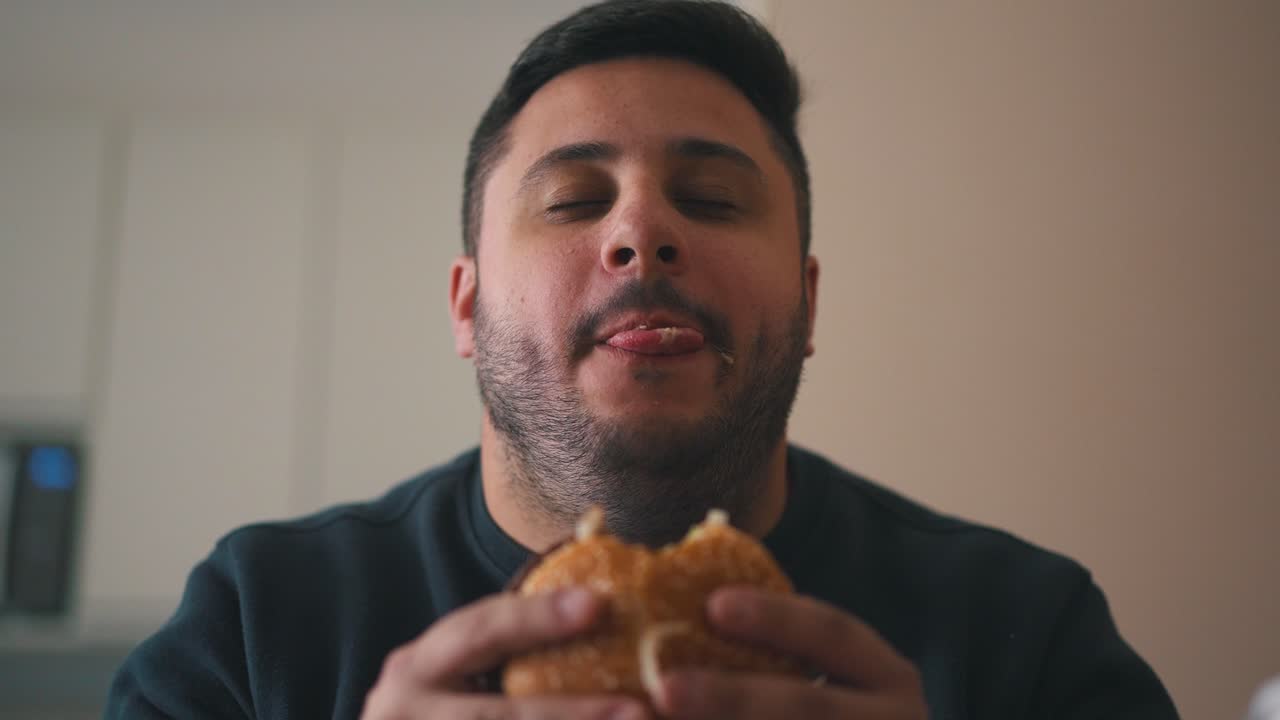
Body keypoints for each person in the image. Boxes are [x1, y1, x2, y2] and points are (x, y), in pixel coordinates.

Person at [106, 1, 1180, 718]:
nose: (641, 234)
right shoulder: (255, 629)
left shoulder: (1025, 639)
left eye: (710, 200)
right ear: (467, 306)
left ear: (805, 303)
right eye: (574, 199)